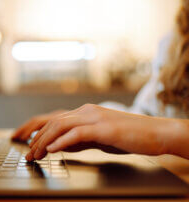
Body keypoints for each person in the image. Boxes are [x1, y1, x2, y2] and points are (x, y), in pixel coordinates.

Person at [12, 0, 189, 161]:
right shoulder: (176, 38)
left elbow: (158, 127)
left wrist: (169, 133)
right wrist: (87, 121)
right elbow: (151, 114)